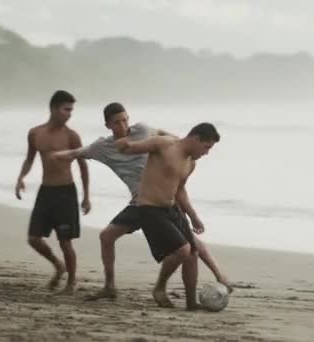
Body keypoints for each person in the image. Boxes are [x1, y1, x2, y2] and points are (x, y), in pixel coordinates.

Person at [51, 103, 230, 301]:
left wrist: (181, 145)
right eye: (117, 122)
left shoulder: (145, 131)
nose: (124, 125)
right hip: (141, 203)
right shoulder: (103, 147)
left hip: (160, 198)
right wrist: (54, 156)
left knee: (190, 246)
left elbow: (164, 137)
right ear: (108, 125)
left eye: (125, 119)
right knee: (107, 237)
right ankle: (110, 286)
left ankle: (218, 277)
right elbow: (77, 153)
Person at [116, 122, 219, 310]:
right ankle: (159, 288)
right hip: (149, 208)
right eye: (207, 147)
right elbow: (129, 148)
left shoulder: (190, 163)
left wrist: (194, 216)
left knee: (193, 253)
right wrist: (124, 140)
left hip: (171, 209)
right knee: (182, 250)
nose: (207, 152)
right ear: (196, 139)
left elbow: (179, 190)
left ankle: (191, 303)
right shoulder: (163, 144)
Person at [15, 90, 90, 295]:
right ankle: (58, 265)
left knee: (65, 242)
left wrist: (87, 196)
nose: (69, 114)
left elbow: (83, 165)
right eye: (66, 109)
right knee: (33, 238)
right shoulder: (35, 133)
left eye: (71, 110)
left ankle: (71, 282)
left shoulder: (71, 136)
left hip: (66, 192)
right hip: (45, 191)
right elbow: (30, 158)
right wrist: (21, 178)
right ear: (54, 108)